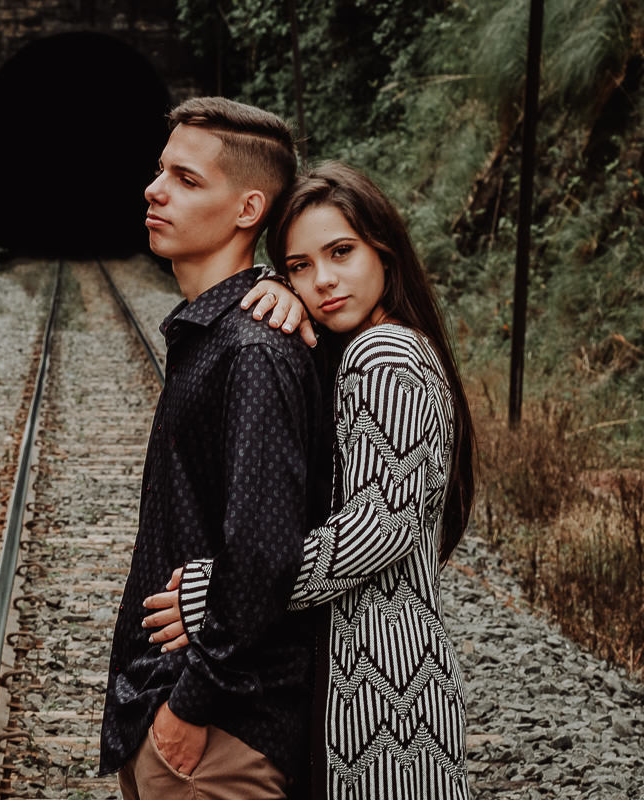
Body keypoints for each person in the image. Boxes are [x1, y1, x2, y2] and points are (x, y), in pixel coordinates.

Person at [144, 161, 475, 799]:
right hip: (358, 673)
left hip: (386, 689)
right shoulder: (357, 349)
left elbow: (378, 528)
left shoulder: (387, 358)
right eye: (300, 265)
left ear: (385, 249)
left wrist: (224, 590)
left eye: (342, 253)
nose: (323, 280)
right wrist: (277, 288)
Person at [99, 96, 333, 800]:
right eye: (160, 171)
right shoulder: (219, 332)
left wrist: (189, 710)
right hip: (182, 718)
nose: (155, 190)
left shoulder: (252, 349)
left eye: (187, 180)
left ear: (248, 210)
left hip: (216, 736)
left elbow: (263, 554)